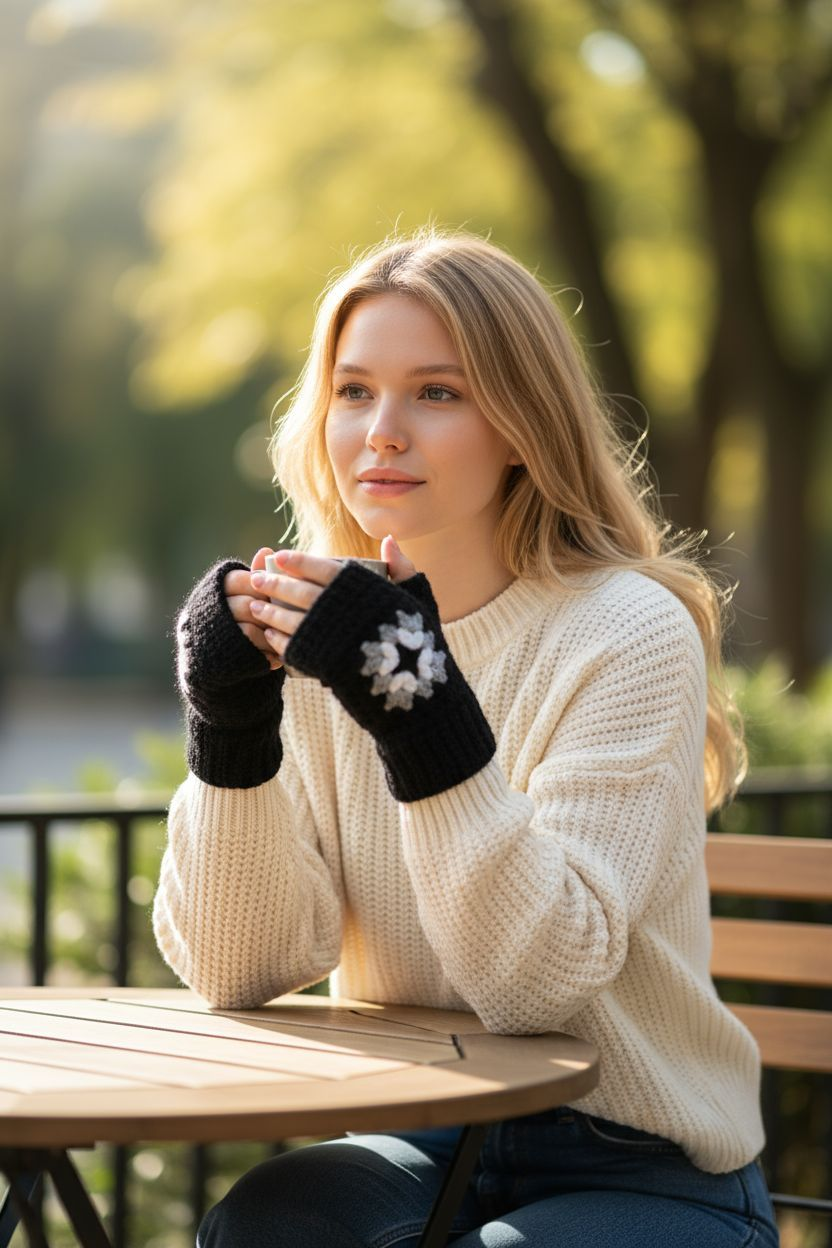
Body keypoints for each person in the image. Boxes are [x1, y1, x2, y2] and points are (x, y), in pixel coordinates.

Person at [153, 227, 780, 1247]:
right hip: (419, 1131)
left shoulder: (623, 630)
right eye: (353, 392)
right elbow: (239, 966)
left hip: (641, 1158)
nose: (381, 431)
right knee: (264, 1227)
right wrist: (229, 732)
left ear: (524, 427)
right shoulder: (330, 633)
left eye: (435, 393)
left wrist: (422, 708)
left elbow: (537, 984)